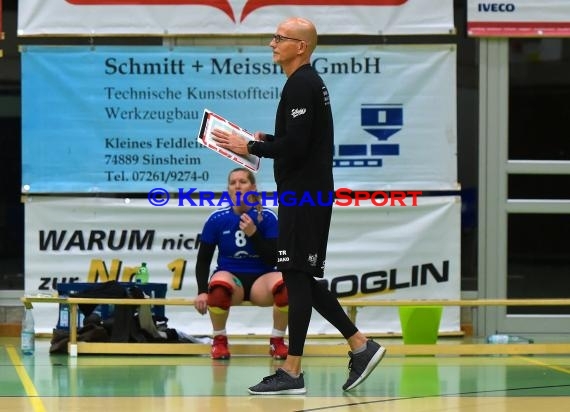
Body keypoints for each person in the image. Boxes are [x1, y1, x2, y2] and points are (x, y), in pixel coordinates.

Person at [212, 17, 385, 395]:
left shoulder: (303, 84)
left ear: (301, 47)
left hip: (305, 195)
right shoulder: (303, 84)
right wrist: (266, 138)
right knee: (299, 275)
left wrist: (251, 147)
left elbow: (296, 147)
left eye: (280, 38)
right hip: (304, 192)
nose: (272, 43)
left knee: (295, 274)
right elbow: (295, 139)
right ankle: (359, 345)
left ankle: (293, 370)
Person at [193, 167, 289, 360]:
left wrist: (254, 234)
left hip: (261, 281)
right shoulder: (217, 219)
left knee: (286, 287)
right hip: (232, 279)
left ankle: (277, 341)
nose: (237, 186)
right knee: (218, 288)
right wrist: (202, 290)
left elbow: (275, 259)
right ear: (228, 189)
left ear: (253, 187)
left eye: (243, 182)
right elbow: (203, 259)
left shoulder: (267, 217)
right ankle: (219, 340)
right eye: (233, 182)